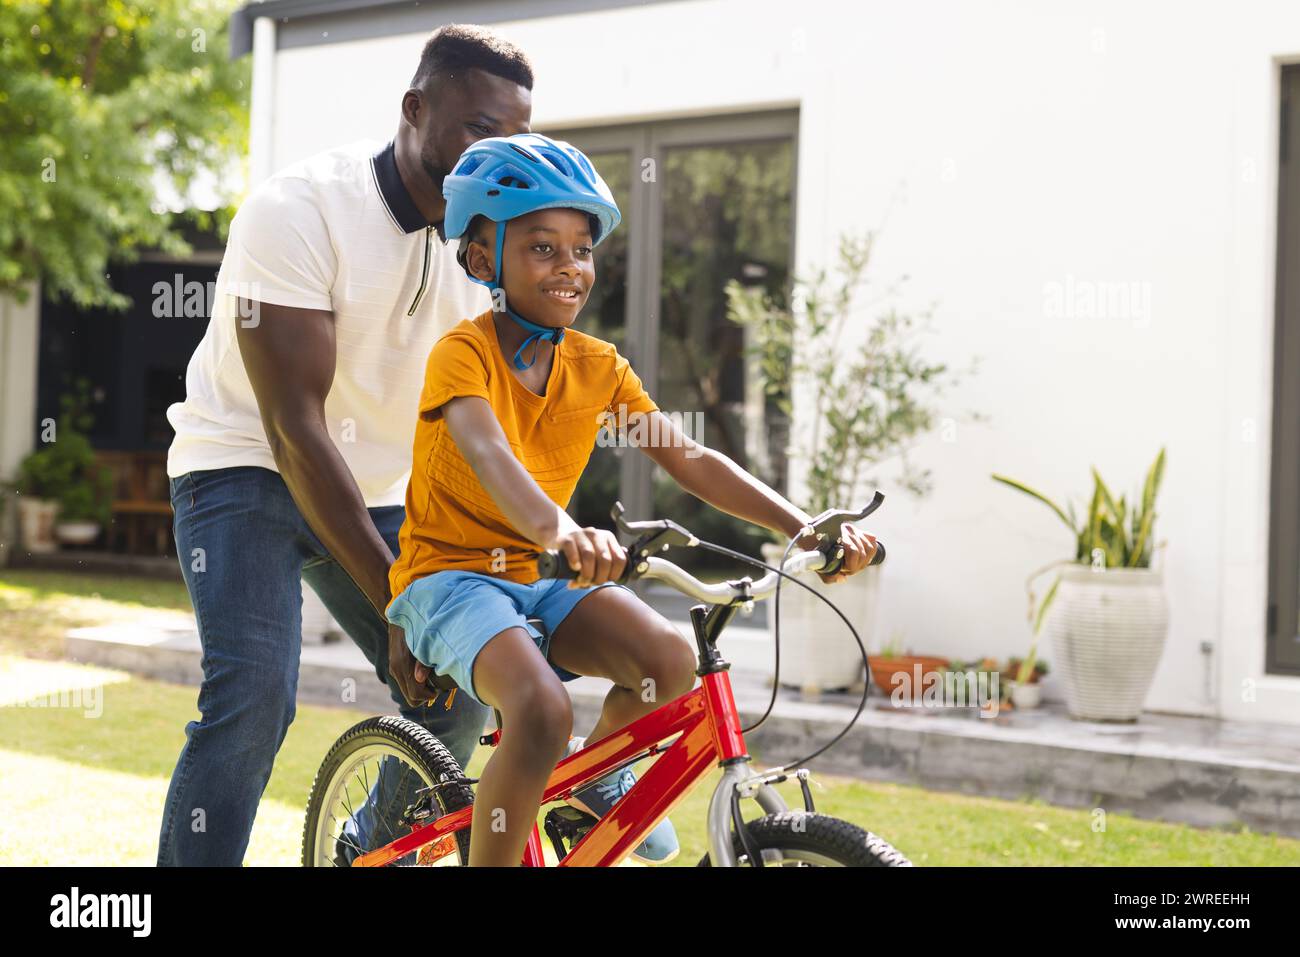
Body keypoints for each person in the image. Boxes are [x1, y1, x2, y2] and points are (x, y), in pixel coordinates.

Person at [384, 133, 880, 866]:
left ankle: (593, 782)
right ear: (484, 258)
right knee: (543, 708)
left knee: (670, 661)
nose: (569, 267)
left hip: (539, 577)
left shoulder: (598, 366)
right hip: (448, 580)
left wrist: (801, 526)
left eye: (581, 249)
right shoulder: (464, 352)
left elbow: (691, 458)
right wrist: (562, 528)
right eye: (542, 247)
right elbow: (487, 451)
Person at [158, 25, 534, 866]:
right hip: (242, 465)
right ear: (415, 108)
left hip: (382, 484)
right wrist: (399, 600)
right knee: (254, 690)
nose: (497, 156)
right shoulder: (299, 209)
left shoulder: (490, 255)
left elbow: (490, 432)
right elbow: (295, 430)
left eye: (515, 138)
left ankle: (365, 854)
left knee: (458, 684)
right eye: (478, 129)